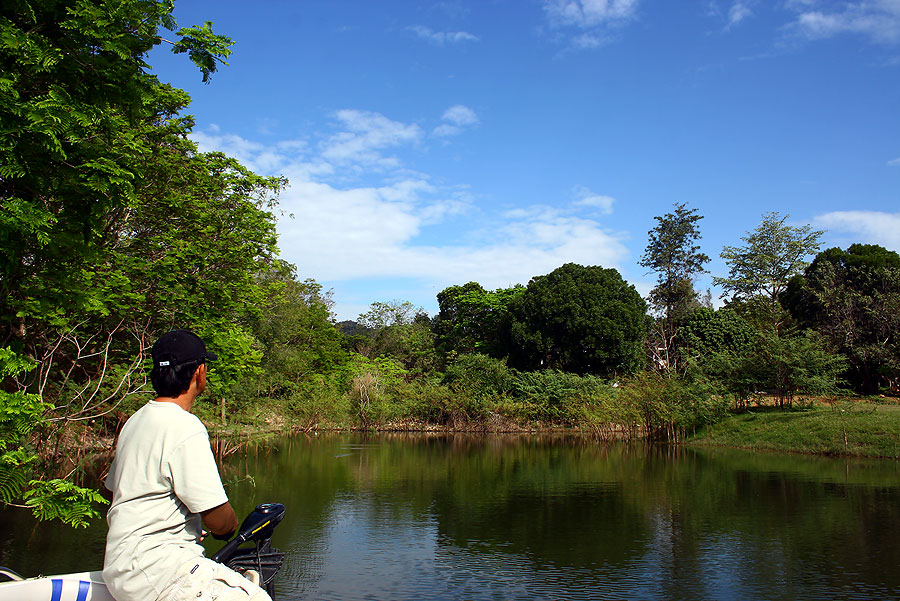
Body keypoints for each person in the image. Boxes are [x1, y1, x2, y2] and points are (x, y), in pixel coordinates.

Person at [102, 329, 270, 601]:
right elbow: (219, 520)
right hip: (160, 569)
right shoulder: (185, 426)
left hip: (120, 566)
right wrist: (227, 526)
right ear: (199, 373)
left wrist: (178, 521)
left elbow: (113, 493)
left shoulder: (135, 421)